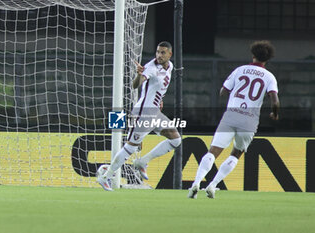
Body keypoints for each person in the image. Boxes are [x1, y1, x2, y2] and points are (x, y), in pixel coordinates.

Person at [188, 40, 280, 199]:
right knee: (236, 153)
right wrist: (275, 113)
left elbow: (223, 91)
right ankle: (213, 185)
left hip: (231, 115)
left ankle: (196, 182)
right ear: (268, 59)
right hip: (250, 120)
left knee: (213, 151)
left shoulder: (240, 70)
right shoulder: (269, 77)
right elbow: (275, 100)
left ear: (253, 55)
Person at [98, 41, 182, 191]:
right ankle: (106, 176)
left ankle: (142, 162)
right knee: (130, 148)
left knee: (175, 139)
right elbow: (136, 85)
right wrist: (139, 75)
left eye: (162, 52)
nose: (159, 55)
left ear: (170, 54)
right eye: (157, 52)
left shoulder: (170, 66)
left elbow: (159, 88)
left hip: (155, 113)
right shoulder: (151, 68)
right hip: (143, 114)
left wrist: (159, 99)